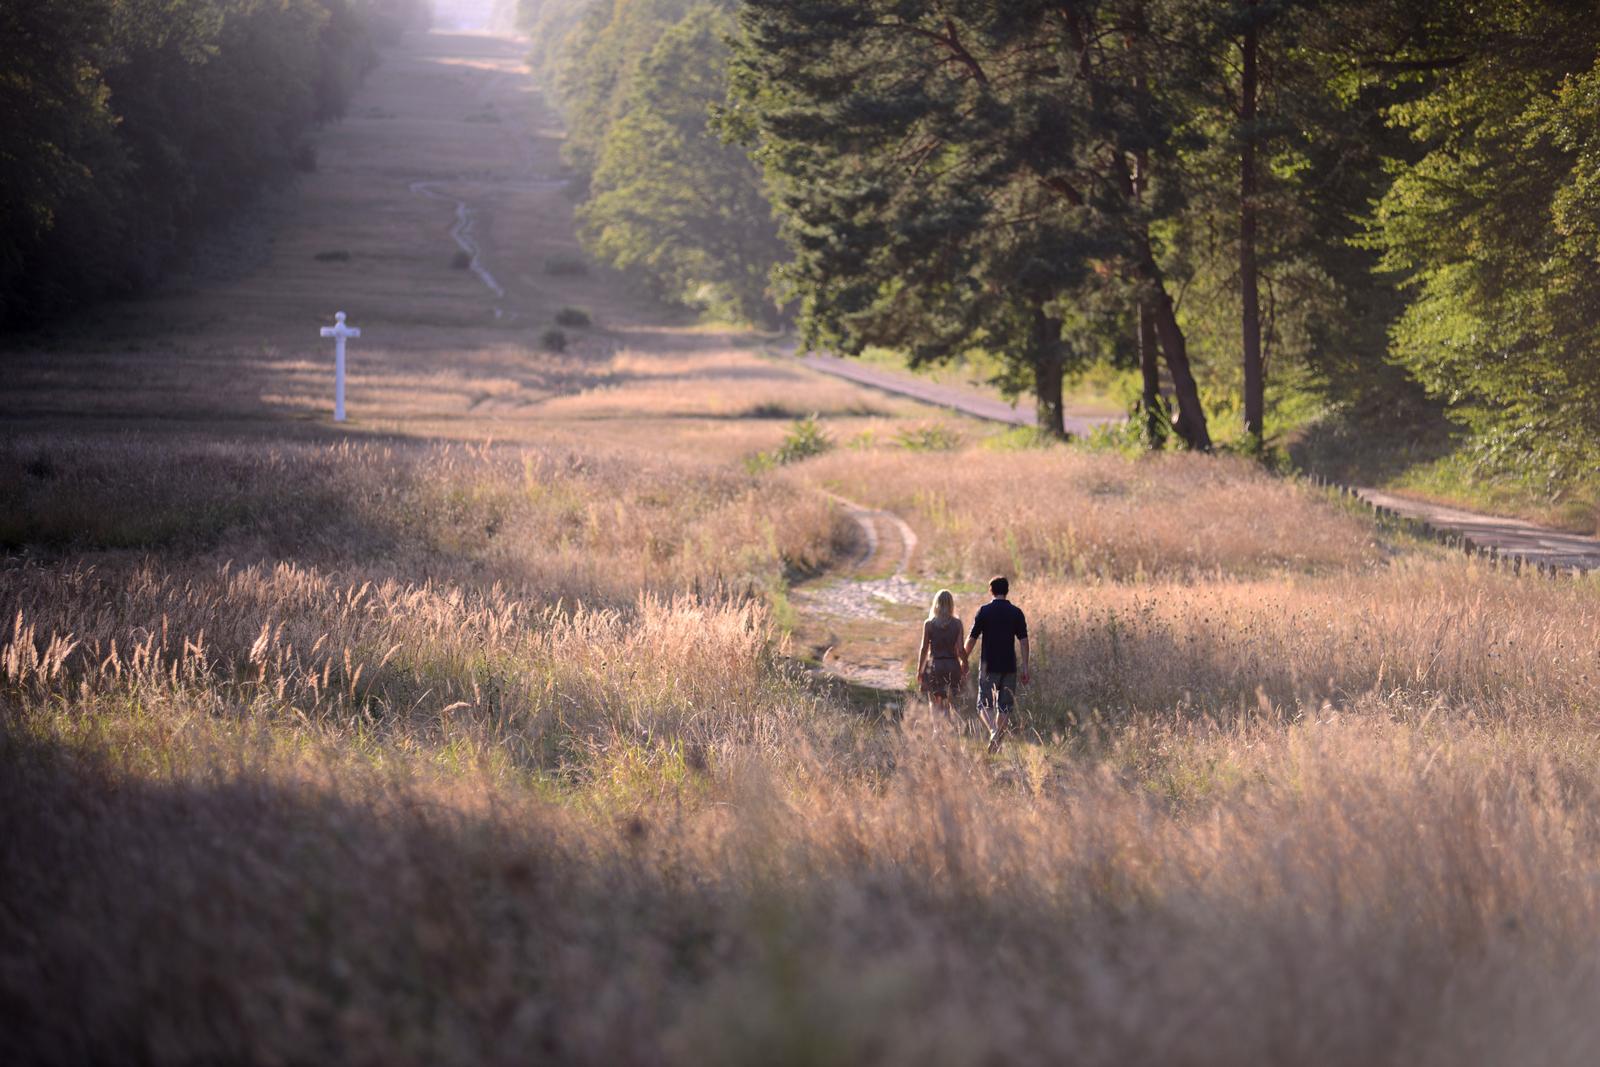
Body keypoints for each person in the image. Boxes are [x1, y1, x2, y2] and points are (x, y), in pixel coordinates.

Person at [963, 576, 1029, 753]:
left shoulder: (984, 611)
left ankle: (993, 731)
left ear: (991, 590)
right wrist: (1025, 666)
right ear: (1007, 591)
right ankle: (997, 741)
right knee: (1005, 706)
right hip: (1009, 666)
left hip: (989, 666)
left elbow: (972, 638)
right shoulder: (1016, 613)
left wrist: (963, 659)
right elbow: (1024, 641)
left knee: (983, 704)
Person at [916, 589, 967, 723]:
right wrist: (965, 664)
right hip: (952, 665)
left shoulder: (929, 624)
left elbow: (924, 649)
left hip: (935, 666)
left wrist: (920, 670)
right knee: (949, 702)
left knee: (935, 701)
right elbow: (960, 649)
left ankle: (937, 730)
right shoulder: (957, 624)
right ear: (951, 604)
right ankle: (948, 727)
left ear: (936, 603)